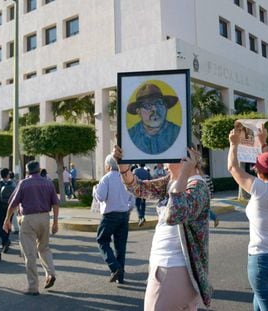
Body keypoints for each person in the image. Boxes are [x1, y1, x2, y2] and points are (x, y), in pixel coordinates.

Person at [113, 145, 212, 310]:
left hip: (174, 267)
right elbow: (139, 188)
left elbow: (175, 215)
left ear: (188, 158)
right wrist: (123, 167)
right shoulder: (171, 181)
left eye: (169, 154)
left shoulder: (197, 186)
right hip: (169, 267)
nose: (164, 160)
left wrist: (185, 173)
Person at [227, 125, 268, 311]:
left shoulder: (259, 189)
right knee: (262, 300)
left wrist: (234, 145)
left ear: (258, 172)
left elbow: (233, 168)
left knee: (265, 300)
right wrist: (264, 142)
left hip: (263, 265)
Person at [3, 160, 60, 296]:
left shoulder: (24, 183)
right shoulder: (48, 182)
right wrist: (55, 222)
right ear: (39, 170)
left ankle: (33, 287)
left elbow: (12, 203)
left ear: (27, 171)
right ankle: (50, 273)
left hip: (28, 219)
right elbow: (55, 203)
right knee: (44, 248)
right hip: (45, 217)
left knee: (30, 253)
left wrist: (7, 219)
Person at [95, 155, 134, 284]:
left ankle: (115, 267)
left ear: (108, 166)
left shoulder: (106, 178)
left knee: (102, 240)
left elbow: (100, 197)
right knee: (120, 247)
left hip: (110, 216)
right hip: (124, 215)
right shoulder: (126, 177)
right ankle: (120, 277)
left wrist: (95, 190)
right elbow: (132, 199)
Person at [127, 83, 181, 154]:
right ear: (138, 112)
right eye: (147, 105)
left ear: (166, 107)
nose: (155, 109)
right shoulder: (130, 136)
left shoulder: (177, 133)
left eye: (159, 103)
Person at [0, 168, 17, 254]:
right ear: (8, 175)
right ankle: (6, 241)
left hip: (0, 206)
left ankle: (5, 240)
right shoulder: (13, 183)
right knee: (8, 223)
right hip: (10, 207)